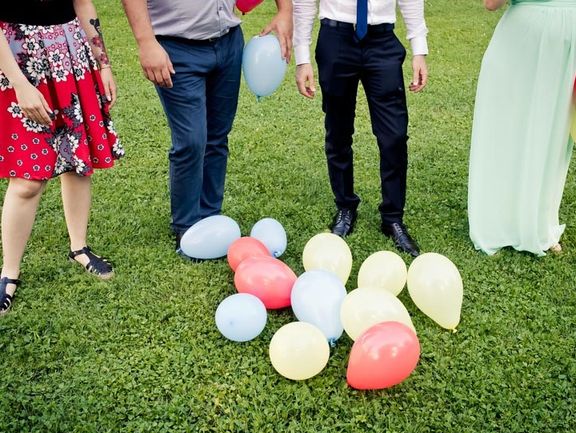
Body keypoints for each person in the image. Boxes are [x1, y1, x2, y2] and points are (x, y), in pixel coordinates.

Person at [121, 0, 293, 259]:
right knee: (191, 140)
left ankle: (211, 217)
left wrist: (285, 11)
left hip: (228, 42)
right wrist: (146, 42)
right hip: (176, 46)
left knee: (217, 136)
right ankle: (187, 227)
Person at [468, 0, 576, 256]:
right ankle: (495, 223)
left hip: (569, 58)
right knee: (509, 131)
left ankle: (539, 224)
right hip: (520, 49)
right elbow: (491, 4)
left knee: (553, 135)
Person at [0, 0, 123, 315]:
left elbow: (82, 3)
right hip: (17, 57)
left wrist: (103, 63)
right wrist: (19, 83)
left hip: (69, 52)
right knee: (27, 181)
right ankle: (9, 271)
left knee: (76, 160)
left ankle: (78, 247)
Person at [293, 0, 428, 257]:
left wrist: (419, 49)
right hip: (336, 39)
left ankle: (392, 218)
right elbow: (305, 2)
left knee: (394, 136)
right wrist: (302, 57)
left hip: (382, 42)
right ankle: (345, 206)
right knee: (338, 131)